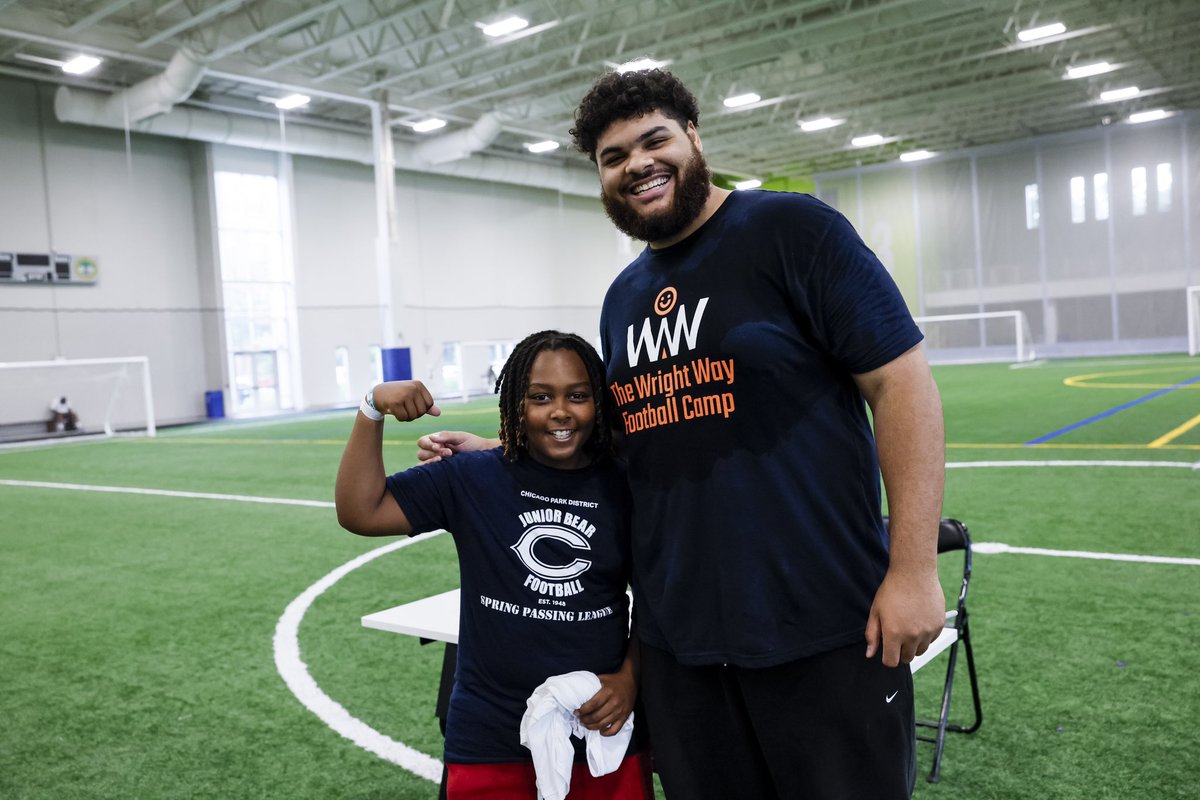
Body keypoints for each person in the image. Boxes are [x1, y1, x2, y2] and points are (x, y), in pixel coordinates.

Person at [419, 69, 946, 799]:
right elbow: (628, 451)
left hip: (822, 627)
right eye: (613, 156)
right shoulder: (624, 299)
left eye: (654, 139)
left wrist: (914, 570)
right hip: (681, 650)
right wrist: (512, 456)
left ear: (694, 138)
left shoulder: (792, 230)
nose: (636, 164)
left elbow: (903, 383)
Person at [335, 330, 652, 800]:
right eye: (540, 397)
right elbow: (361, 511)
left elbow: (656, 598)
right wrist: (371, 407)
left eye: (578, 396)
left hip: (601, 718)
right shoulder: (474, 477)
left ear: (599, 403)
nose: (560, 411)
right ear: (516, 406)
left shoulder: (625, 485)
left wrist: (629, 679)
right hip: (489, 729)